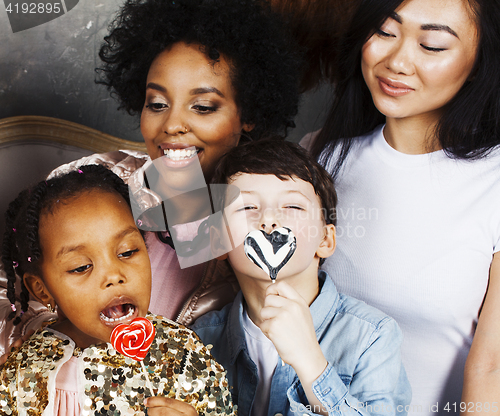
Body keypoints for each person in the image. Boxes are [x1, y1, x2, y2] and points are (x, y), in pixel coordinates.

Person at [0, 0, 301, 356]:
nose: (172, 125)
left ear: (247, 113)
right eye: (157, 104)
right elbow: (12, 293)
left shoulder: (269, 218)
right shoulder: (95, 182)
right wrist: (59, 346)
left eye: (203, 107)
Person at [301, 0, 500, 414]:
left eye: (431, 45)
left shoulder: (493, 180)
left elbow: (491, 369)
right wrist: (175, 160)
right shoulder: (321, 158)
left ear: (482, 58)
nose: (397, 61)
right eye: (386, 32)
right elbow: (217, 268)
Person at [192, 140, 411, 416]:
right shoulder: (202, 337)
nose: (268, 219)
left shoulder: (372, 337)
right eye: (246, 208)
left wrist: (310, 363)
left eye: (293, 207)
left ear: (325, 240)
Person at [0, 164, 235, 416]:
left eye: (127, 252)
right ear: (43, 290)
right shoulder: (26, 364)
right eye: (81, 267)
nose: (114, 276)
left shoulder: (180, 354)